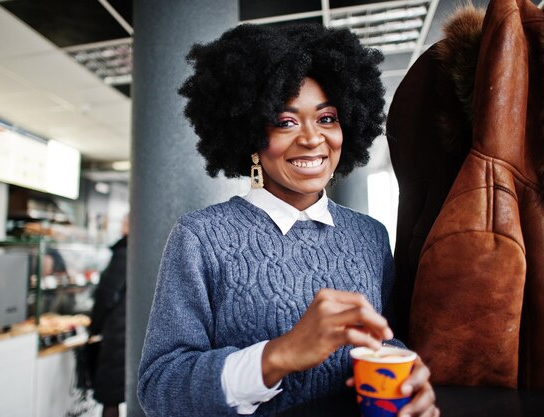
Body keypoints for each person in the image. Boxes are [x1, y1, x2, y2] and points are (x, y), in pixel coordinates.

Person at [138, 24, 438, 417]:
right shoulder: (200, 237)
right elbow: (159, 386)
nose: (313, 138)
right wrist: (279, 355)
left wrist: (410, 374)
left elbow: (385, 341)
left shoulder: (370, 236)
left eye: (327, 118)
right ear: (249, 134)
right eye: (286, 121)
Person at [89, 215, 129, 417]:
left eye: (124, 223)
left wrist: (93, 327)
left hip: (118, 335)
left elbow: (107, 294)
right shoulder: (148, 251)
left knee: (110, 398)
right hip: (132, 333)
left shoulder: (124, 253)